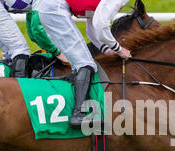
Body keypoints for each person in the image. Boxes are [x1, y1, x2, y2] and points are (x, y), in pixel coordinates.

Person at [34, 0, 132, 129]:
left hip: (51, 8)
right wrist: (119, 49)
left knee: (82, 63)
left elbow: (92, 30)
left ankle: (76, 103)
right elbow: (101, 26)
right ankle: (79, 113)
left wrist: (107, 51)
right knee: (86, 64)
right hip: (55, 9)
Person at [0, 0, 67, 77]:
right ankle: (19, 91)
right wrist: (57, 52)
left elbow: (32, 31)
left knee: (10, 54)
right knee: (20, 49)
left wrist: (51, 49)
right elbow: (37, 29)